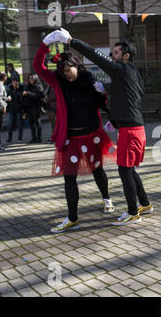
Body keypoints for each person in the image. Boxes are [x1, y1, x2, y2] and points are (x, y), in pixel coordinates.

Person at [48, 28, 153, 226]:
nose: (112, 56)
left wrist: (71, 40)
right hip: (131, 128)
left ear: (126, 56)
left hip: (131, 131)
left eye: (115, 53)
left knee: (125, 171)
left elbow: (95, 56)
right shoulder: (131, 74)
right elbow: (130, 100)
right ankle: (145, 204)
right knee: (129, 170)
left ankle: (133, 212)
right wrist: (114, 120)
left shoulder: (122, 69)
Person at [33, 32, 118, 233]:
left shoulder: (89, 80)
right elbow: (38, 66)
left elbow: (102, 103)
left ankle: (106, 198)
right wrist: (45, 43)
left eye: (68, 69)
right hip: (70, 138)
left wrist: (102, 93)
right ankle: (72, 217)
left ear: (76, 65)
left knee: (97, 170)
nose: (66, 73)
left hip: (92, 135)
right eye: (62, 71)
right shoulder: (58, 82)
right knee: (69, 177)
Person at [22, 73, 44, 143]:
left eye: (32, 78)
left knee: (37, 123)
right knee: (31, 124)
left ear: (35, 79)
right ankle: (33, 137)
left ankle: (39, 138)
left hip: (36, 107)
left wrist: (28, 93)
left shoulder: (39, 86)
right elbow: (25, 97)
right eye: (29, 78)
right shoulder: (28, 86)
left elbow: (38, 96)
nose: (30, 80)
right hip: (29, 108)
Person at [6, 77, 24, 143]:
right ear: (12, 82)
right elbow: (7, 98)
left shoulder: (21, 89)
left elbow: (23, 100)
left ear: (18, 82)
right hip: (11, 109)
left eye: (16, 81)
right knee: (10, 124)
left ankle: (20, 138)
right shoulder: (10, 89)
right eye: (14, 81)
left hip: (19, 110)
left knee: (20, 124)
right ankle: (9, 138)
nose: (15, 83)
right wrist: (7, 98)